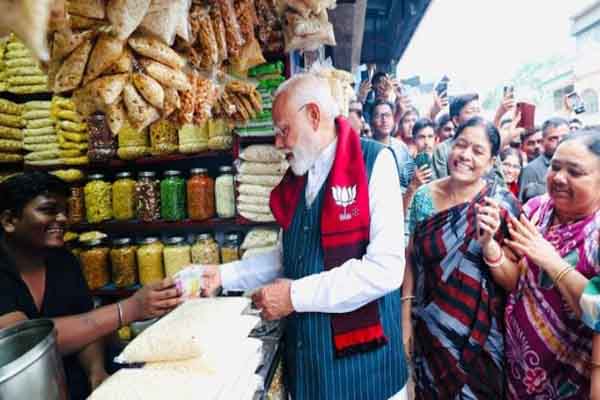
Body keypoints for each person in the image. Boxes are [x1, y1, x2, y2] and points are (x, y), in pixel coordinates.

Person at [202, 73, 409, 399]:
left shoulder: (374, 163)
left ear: (313, 115)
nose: (278, 143)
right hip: (311, 370)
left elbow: (385, 270)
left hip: (367, 375)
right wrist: (223, 275)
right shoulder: (298, 177)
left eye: (284, 130)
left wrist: (294, 296)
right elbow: (292, 256)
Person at [0, 172, 181, 400]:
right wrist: (128, 309)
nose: (63, 219)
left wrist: (95, 373)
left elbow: (85, 321)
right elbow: (26, 345)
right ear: (9, 221)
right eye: (49, 210)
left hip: (71, 383)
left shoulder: (63, 260)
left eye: (65, 210)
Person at [401, 116, 520, 399]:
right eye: (461, 145)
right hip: (430, 331)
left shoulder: (501, 205)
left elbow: (513, 281)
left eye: (478, 151)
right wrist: (404, 318)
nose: (465, 155)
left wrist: (489, 246)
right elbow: (411, 259)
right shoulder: (424, 197)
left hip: (481, 339)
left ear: (491, 163)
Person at [482, 129, 600, 398]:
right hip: (520, 367)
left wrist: (552, 261)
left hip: (573, 378)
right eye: (555, 167)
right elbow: (515, 282)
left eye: (575, 172)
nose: (559, 178)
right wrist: (490, 247)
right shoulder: (535, 209)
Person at [431, 93, 481, 179]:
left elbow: (499, 181)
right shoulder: (442, 150)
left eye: (478, 111)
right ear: (456, 120)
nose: (477, 116)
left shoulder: (489, 145)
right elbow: (438, 183)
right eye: (471, 111)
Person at [518, 117, 569, 201]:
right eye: (553, 138)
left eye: (564, 136)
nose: (560, 141)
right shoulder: (531, 170)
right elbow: (524, 205)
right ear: (543, 141)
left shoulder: (579, 164)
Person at [371, 100, 415, 192]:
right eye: (379, 116)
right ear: (371, 121)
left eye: (388, 115)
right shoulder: (367, 148)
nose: (384, 120)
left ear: (393, 120)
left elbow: (409, 179)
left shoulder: (401, 147)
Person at [402, 118, 435, 215]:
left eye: (430, 136)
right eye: (421, 137)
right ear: (414, 140)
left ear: (436, 139)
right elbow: (402, 209)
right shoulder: (406, 168)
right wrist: (413, 185)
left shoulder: (442, 164)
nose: (426, 142)